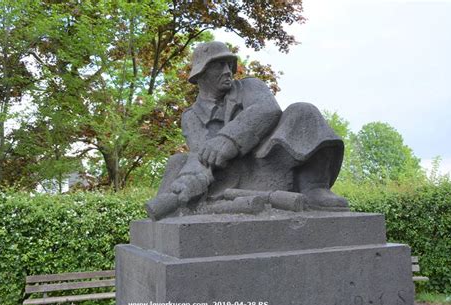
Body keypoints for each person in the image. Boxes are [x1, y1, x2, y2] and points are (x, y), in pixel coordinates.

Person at [146, 41, 348, 220]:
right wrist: (194, 179)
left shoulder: (250, 86)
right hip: (234, 177)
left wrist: (229, 139)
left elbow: (267, 109)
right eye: (218, 65)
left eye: (229, 64)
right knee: (179, 162)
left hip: (271, 160)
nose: (227, 71)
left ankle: (314, 187)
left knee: (303, 111)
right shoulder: (191, 116)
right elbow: (202, 156)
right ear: (201, 74)